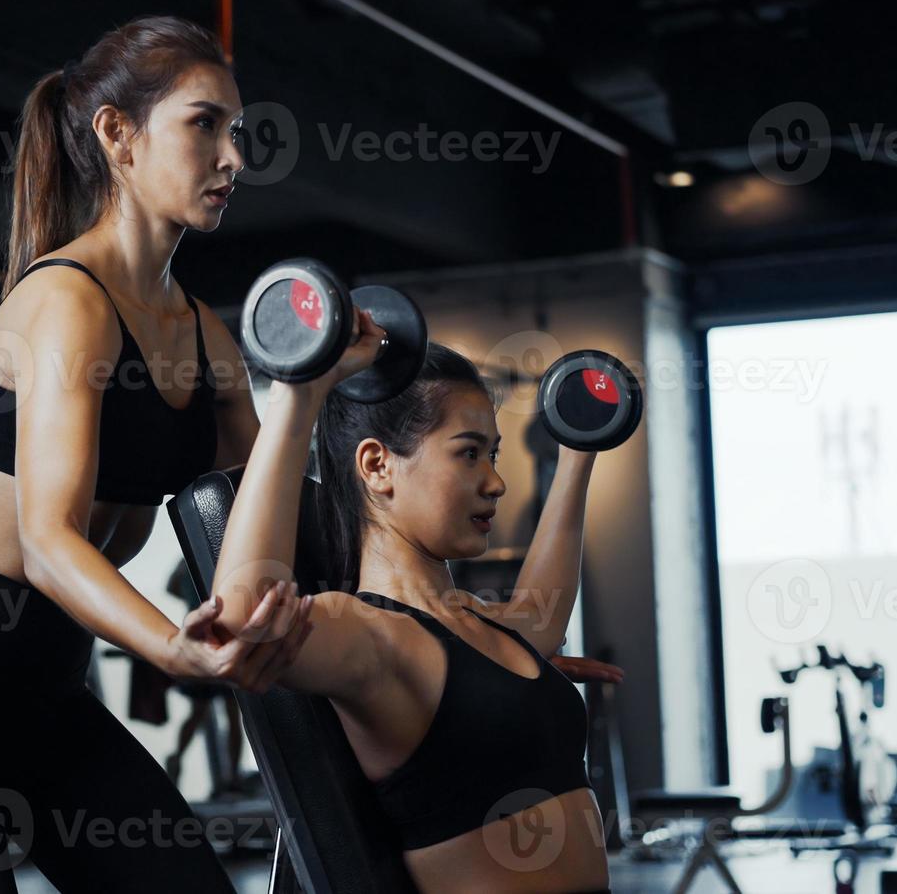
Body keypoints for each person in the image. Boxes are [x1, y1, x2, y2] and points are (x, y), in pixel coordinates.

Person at [0, 14, 312, 893]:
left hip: (43, 694)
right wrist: (174, 649)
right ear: (117, 135)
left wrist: (465, 637)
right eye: (206, 124)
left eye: (237, 132)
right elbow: (48, 540)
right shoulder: (65, 302)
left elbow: (275, 533)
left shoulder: (208, 336)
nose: (235, 156)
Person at [212, 326, 615, 894]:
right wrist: (295, 396)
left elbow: (540, 618)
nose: (496, 482)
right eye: (469, 453)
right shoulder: (366, 635)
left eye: (493, 454)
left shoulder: (481, 626)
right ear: (377, 466)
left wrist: (577, 450)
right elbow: (242, 616)